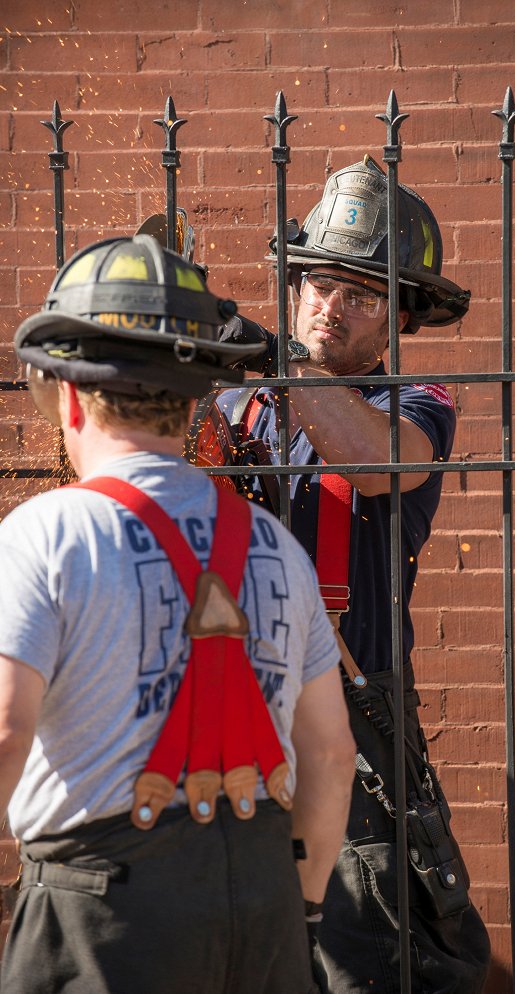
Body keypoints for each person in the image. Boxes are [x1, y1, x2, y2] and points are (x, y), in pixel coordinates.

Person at [0, 234, 355, 994]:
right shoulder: (275, 547)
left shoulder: (46, 533)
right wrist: (302, 913)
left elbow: (5, 729)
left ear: (65, 394)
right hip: (264, 906)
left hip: (108, 915)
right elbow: (328, 756)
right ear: (192, 402)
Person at [213, 155, 492, 993]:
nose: (330, 308)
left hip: (353, 715)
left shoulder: (415, 402)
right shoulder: (237, 407)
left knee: (368, 957)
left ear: (396, 319)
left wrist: (278, 361)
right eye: (319, 286)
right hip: (231, 710)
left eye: (360, 295)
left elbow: (376, 466)